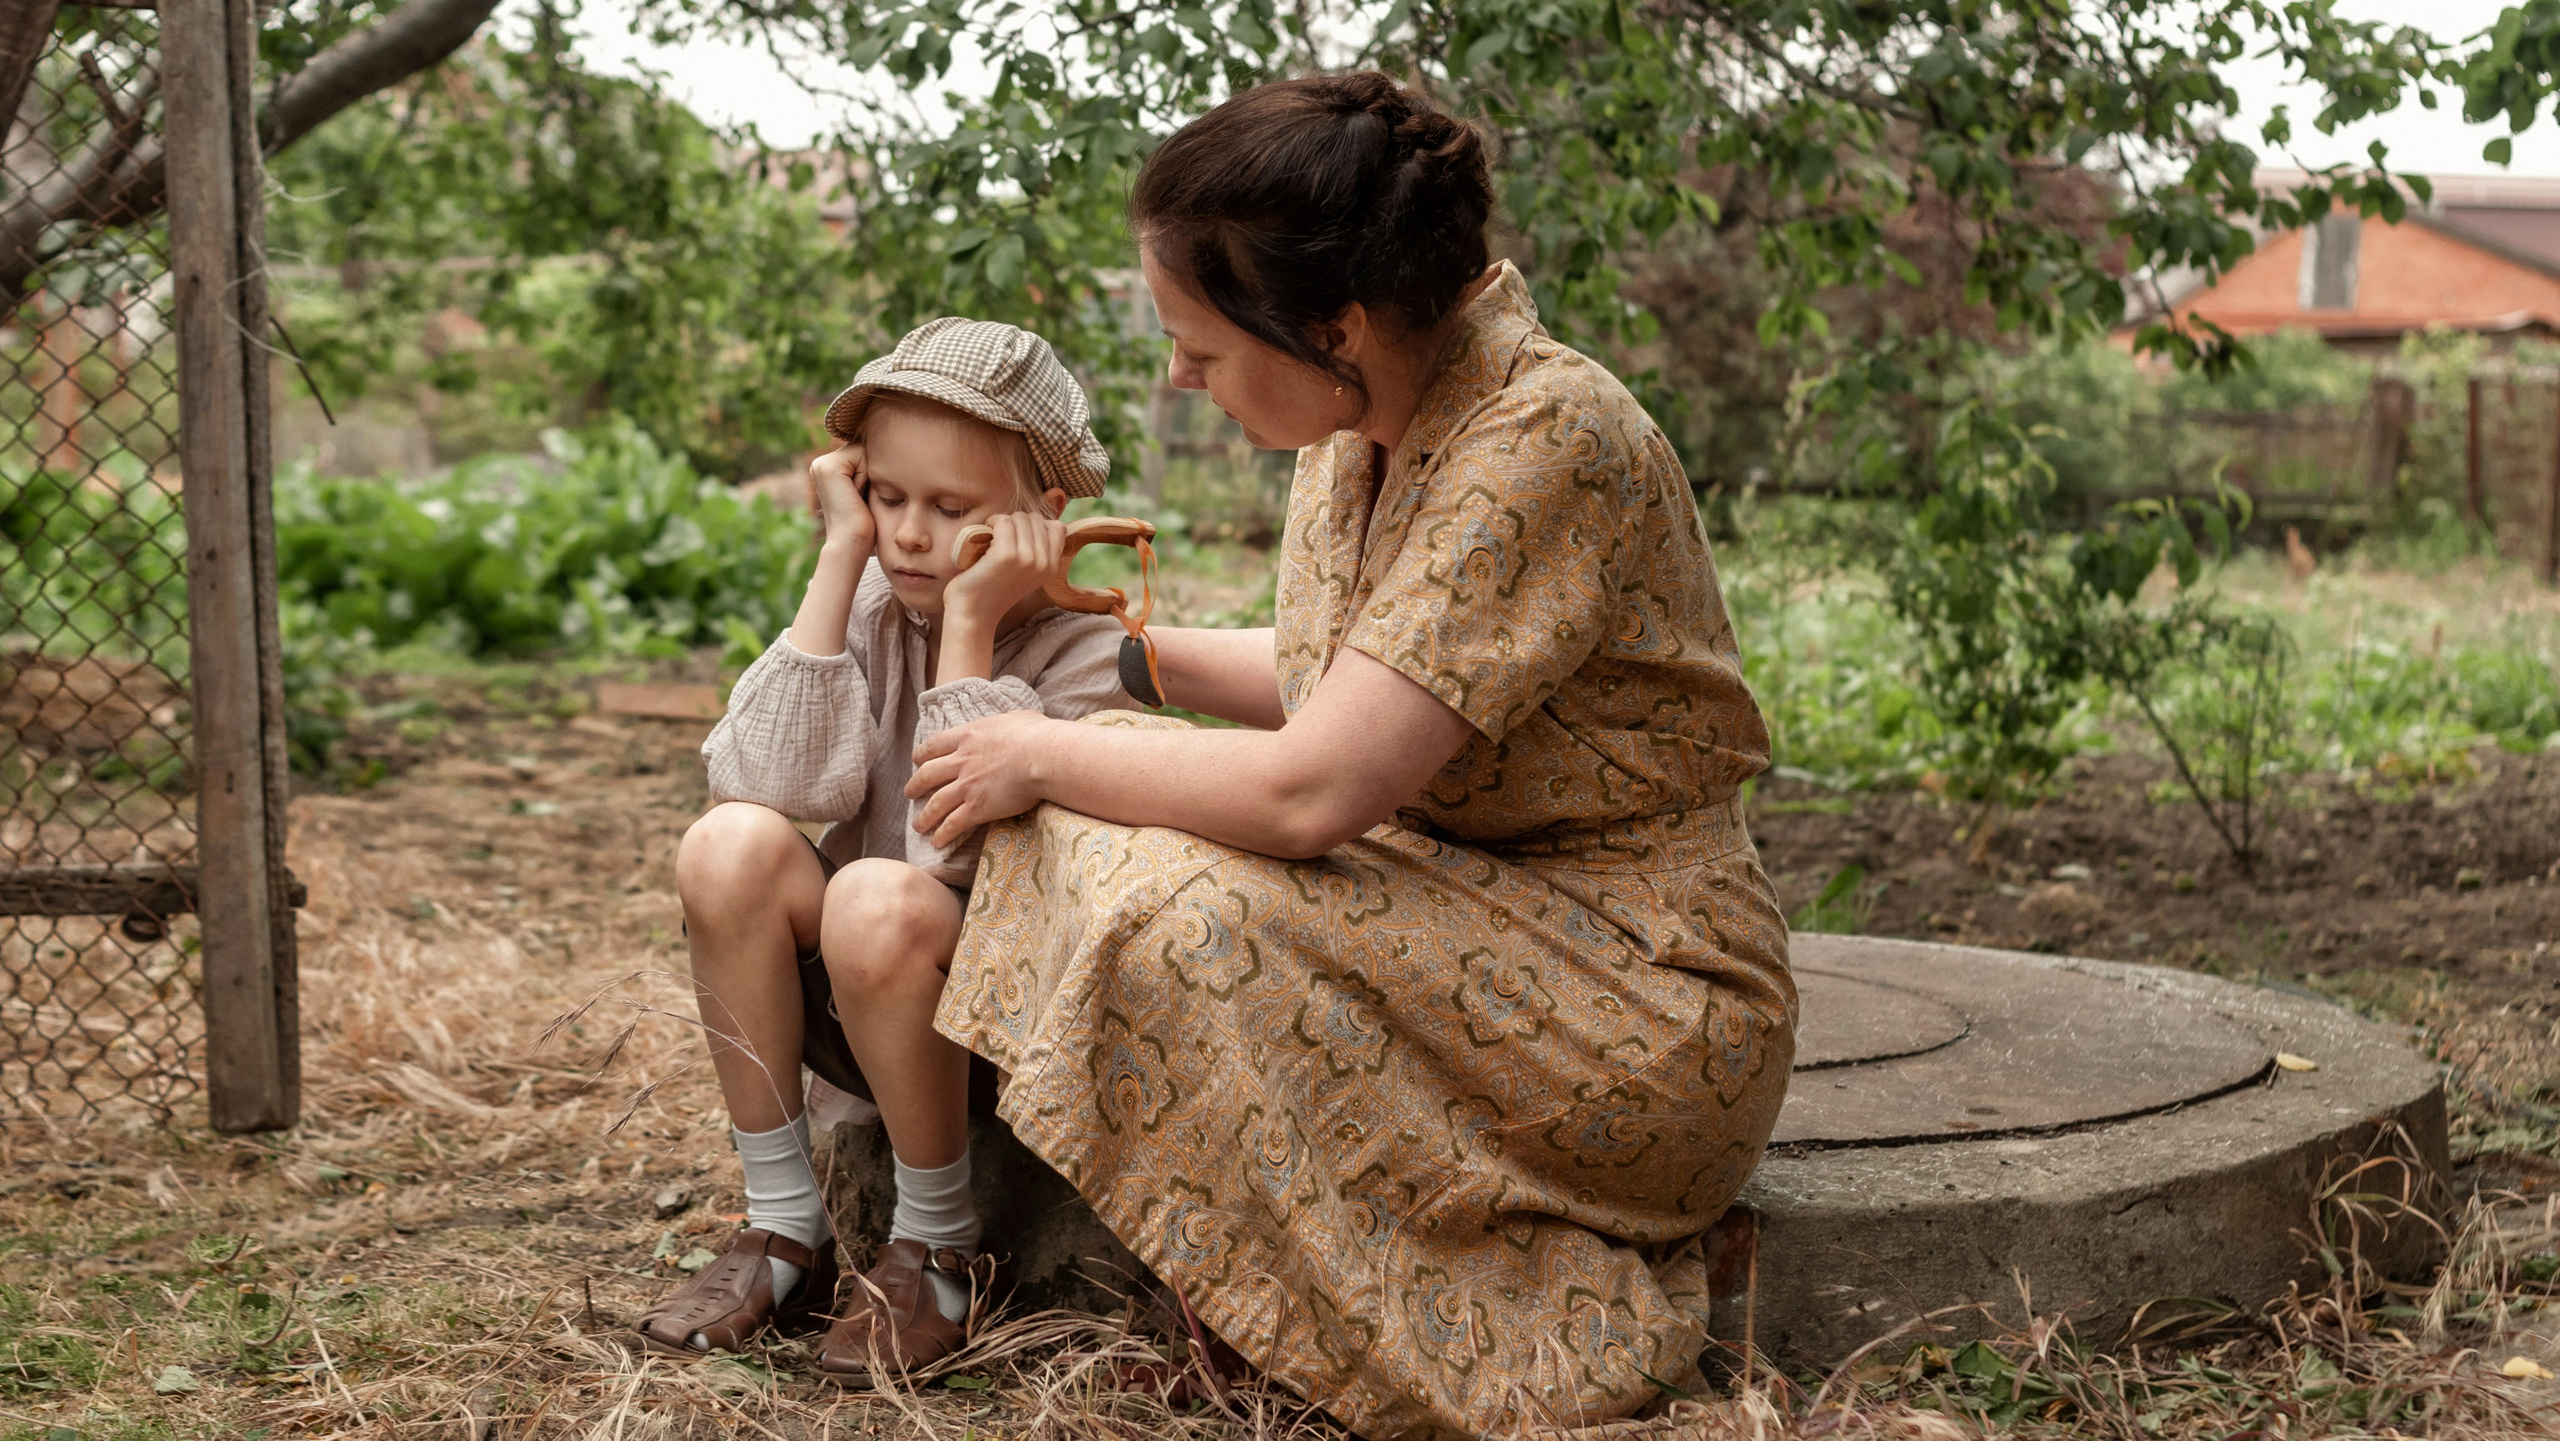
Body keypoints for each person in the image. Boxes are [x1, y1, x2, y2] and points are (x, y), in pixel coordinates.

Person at [908, 73, 1797, 1437]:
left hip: (1639, 997)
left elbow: (1316, 784)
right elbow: (1353, 680)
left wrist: (1038, 747)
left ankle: (1349, 1326)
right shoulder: (1367, 421)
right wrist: (1114, 653)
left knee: (1170, 906)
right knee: (1102, 797)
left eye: (1197, 346)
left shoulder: (1546, 439)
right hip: (1471, 910)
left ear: (1334, 324)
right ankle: (1255, 1295)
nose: (1179, 377)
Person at [639, 318, 1131, 1379]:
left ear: (1042, 520)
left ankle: (938, 1244)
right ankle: (784, 1228)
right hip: (860, 1002)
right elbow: (760, 787)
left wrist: (966, 625)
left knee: (875, 893)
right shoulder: (868, 603)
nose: (909, 534)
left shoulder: (1090, 654)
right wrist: (837, 553)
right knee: (726, 846)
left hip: (993, 1027)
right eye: (888, 496)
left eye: (951, 510)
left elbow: (954, 866)